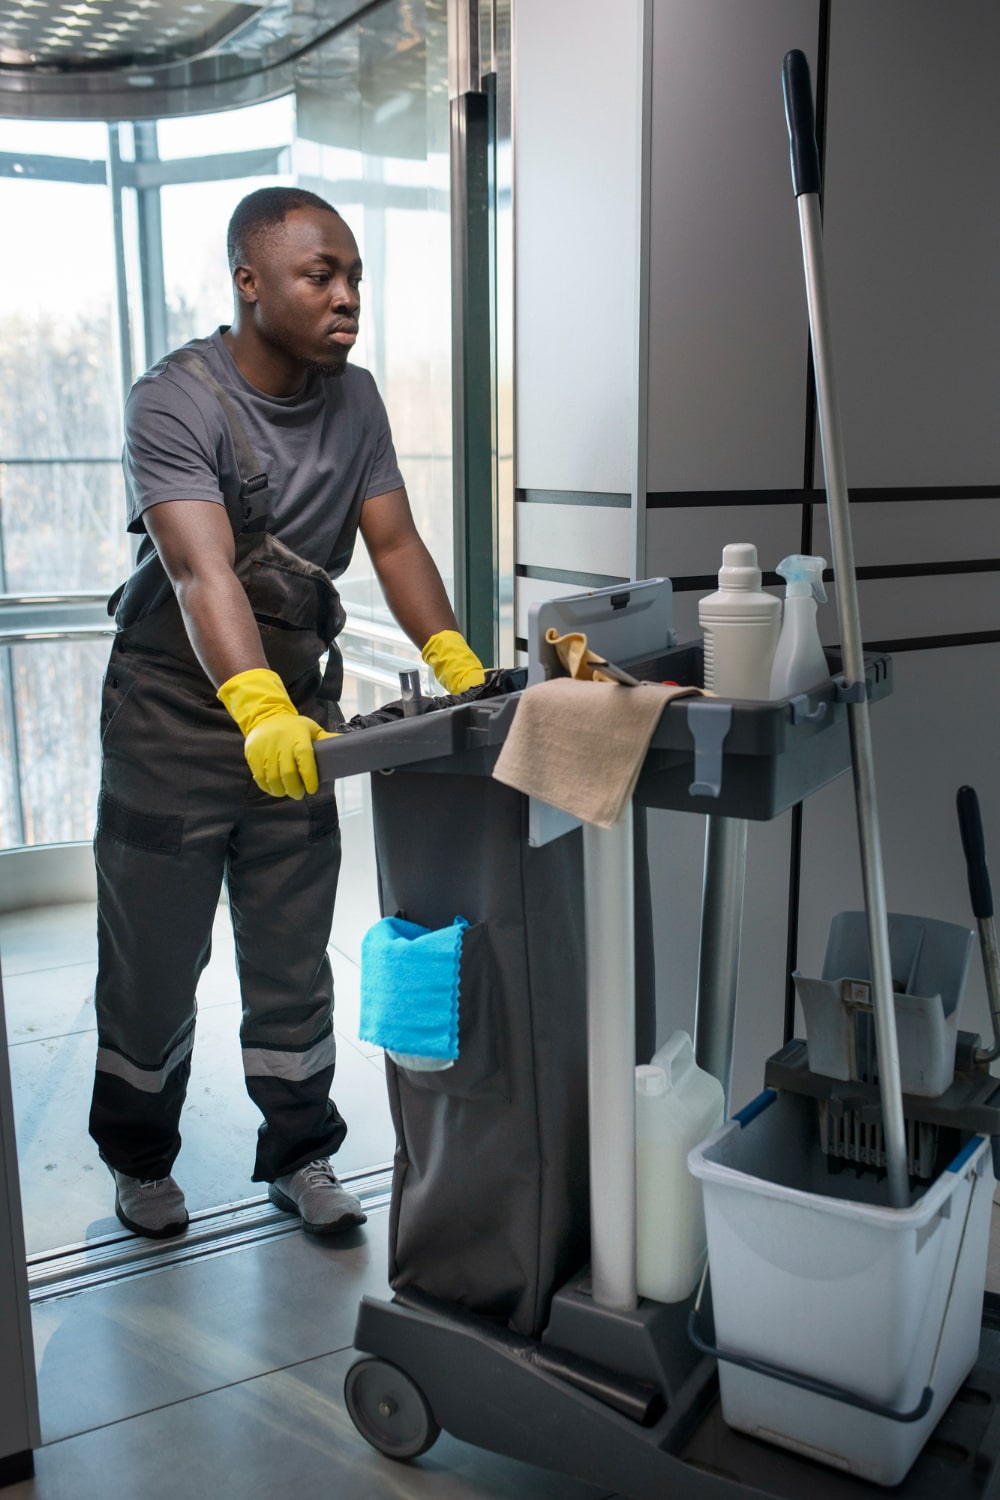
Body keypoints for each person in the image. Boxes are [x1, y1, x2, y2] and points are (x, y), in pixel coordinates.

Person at [88, 185, 484, 1240]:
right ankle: (139, 1158)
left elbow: (394, 546)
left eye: (355, 275)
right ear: (249, 282)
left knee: (291, 953)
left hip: (298, 718)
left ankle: (300, 1154)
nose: (348, 296)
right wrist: (253, 702)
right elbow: (197, 564)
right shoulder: (174, 398)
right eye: (323, 275)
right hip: (173, 717)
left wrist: (454, 659)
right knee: (154, 963)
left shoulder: (354, 402)